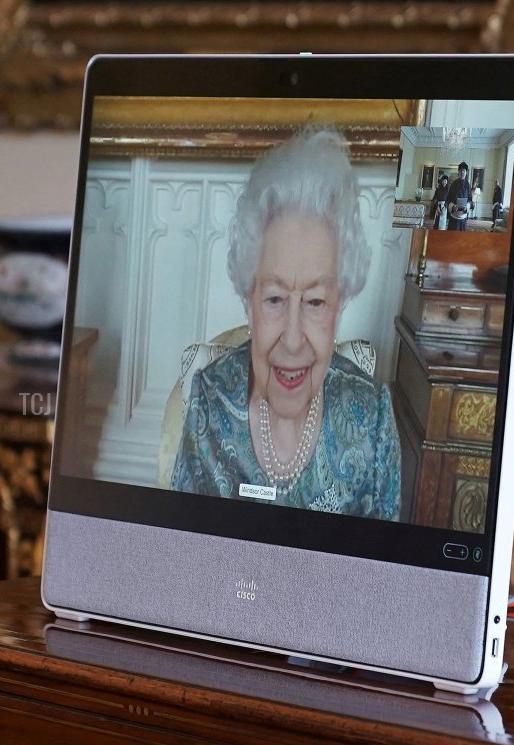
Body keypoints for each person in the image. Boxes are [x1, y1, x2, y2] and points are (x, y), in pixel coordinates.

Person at [171, 127, 401, 520]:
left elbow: (386, 577)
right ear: (249, 299)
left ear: (339, 304)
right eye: (275, 299)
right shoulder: (209, 404)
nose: (293, 341)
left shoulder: (372, 421)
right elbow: (178, 558)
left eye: (314, 302)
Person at [445, 162, 473, 231]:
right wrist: (453, 206)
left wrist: (467, 206)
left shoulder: (468, 185)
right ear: (458, 172)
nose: (462, 172)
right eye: (461, 171)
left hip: (463, 217)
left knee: (462, 239)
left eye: (464, 171)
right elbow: (448, 199)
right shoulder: (453, 184)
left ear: (466, 172)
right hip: (454, 216)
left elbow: (470, 199)